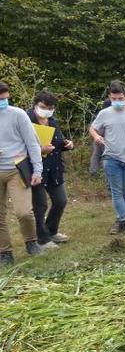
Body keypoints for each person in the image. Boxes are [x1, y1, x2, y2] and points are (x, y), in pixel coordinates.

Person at [90, 80, 125, 236]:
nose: (117, 101)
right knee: (116, 191)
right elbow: (93, 128)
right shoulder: (104, 113)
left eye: (120, 98)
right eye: (114, 99)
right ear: (110, 97)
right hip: (111, 157)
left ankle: (121, 220)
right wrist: (96, 136)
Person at [0, 81, 46, 263]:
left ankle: (31, 241)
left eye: (5, 99)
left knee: (24, 212)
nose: (3, 102)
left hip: (16, 170)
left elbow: (32, 143)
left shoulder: (17, 115)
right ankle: (4, 252)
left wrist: (38, 170)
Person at [27, 91, 74, 249]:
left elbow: (57, 142)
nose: (46, 110)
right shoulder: (26, 120)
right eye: (43, 107)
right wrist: (40, 150)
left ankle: (52, 231)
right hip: (34, 169)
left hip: (54, 168)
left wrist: (67, 144)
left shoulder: (52, 120)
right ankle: (42, 239)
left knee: (61, 200)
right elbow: (19, 147)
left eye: (50, 107)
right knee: (40, 205)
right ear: (36, 104)